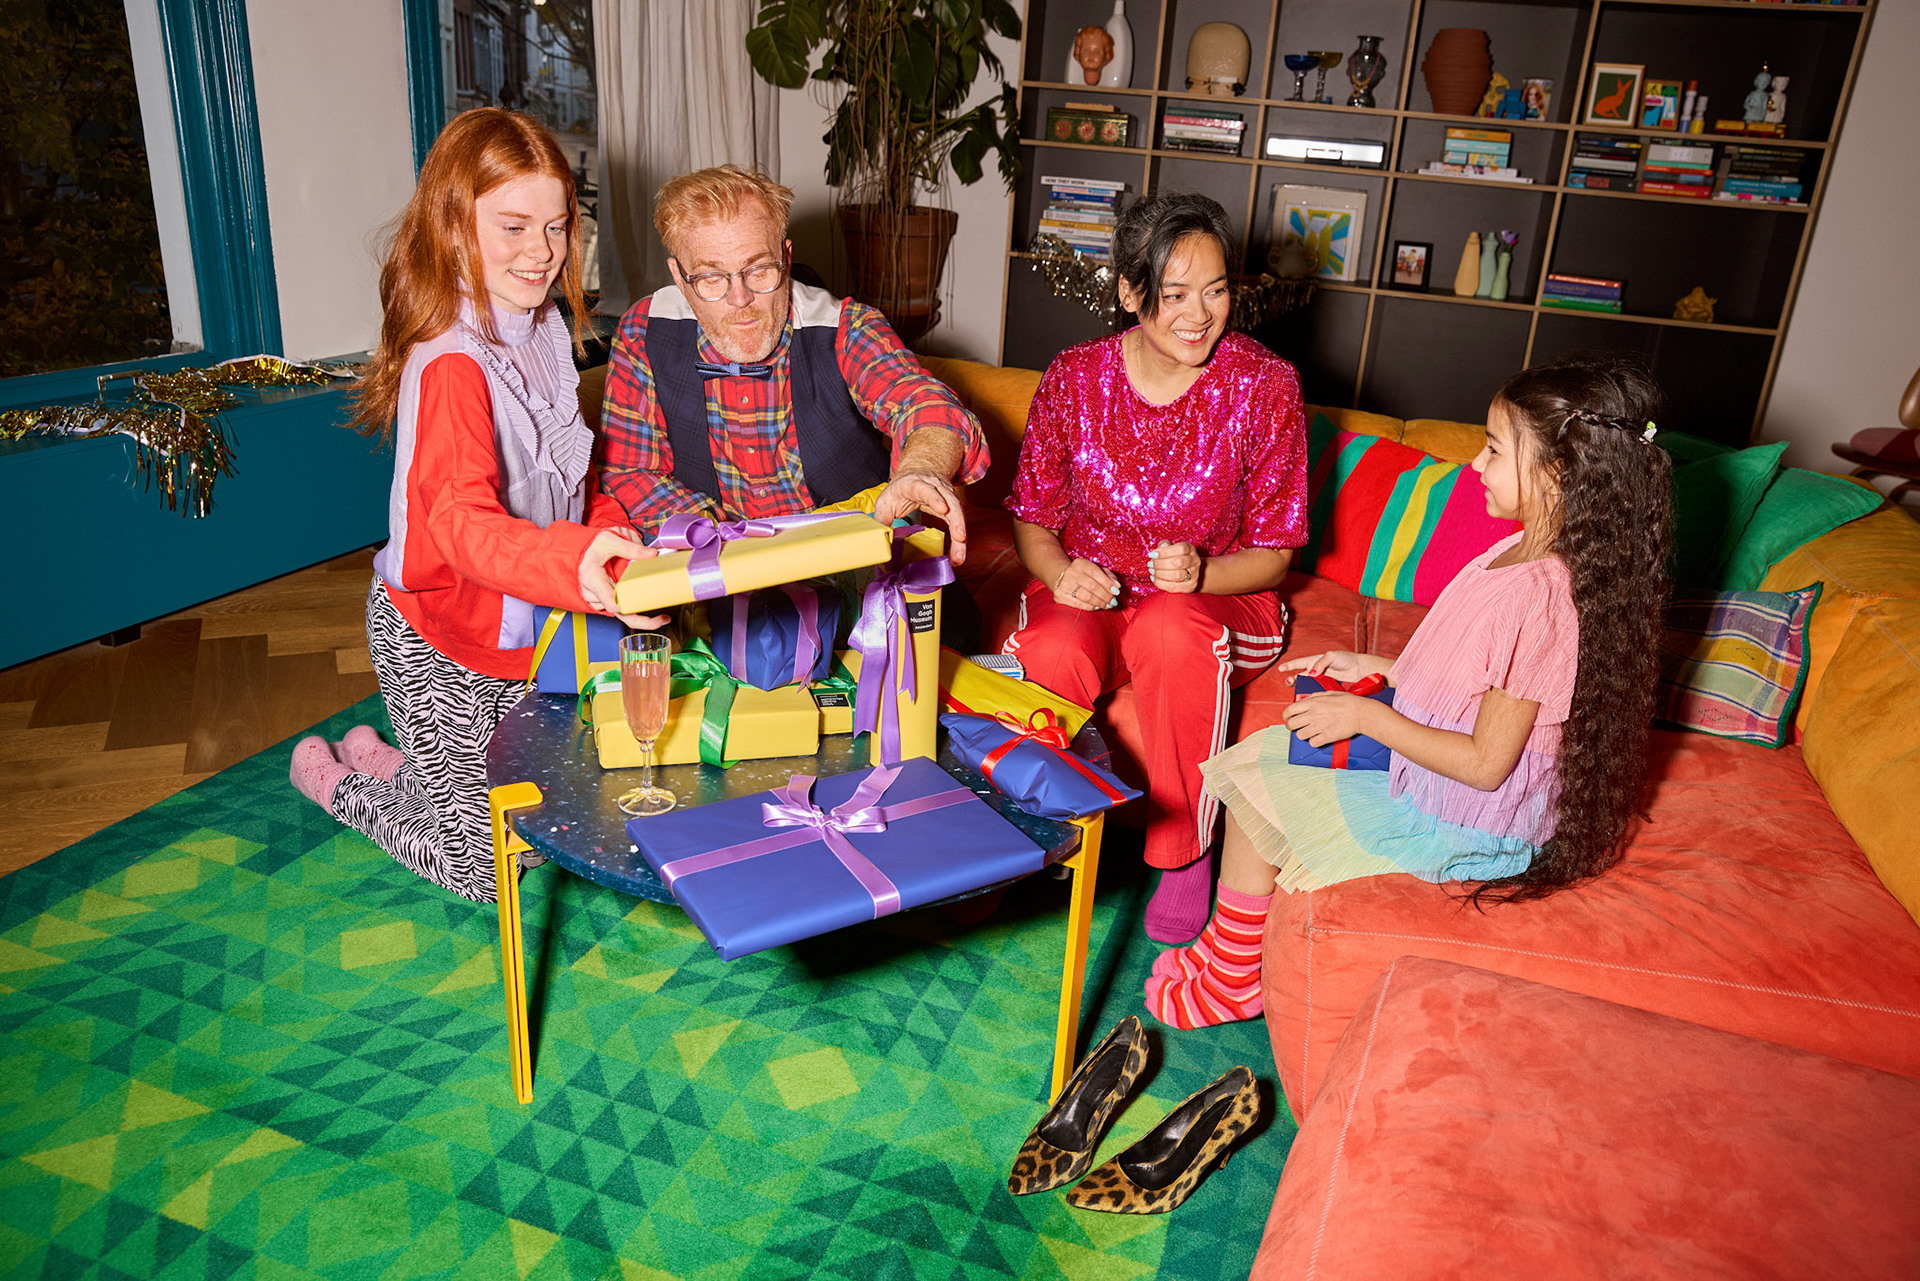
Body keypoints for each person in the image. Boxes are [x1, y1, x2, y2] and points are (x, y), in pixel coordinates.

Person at [1146, 354, 1674, 1029]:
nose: (1475, 464)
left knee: (1261, 791)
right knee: (1266, 758)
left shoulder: (1541, 599)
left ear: (1557, 472)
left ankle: (1231, 978)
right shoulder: (1511, 551)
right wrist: (1377, 666)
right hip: (1436, 783)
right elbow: (1467, 671)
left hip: (1467, 821)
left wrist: (1365, 715)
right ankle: (1229, 948)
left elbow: (1485, 764)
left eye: (1493, 449)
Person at [290, 108, 667, 902]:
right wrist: (578, 562)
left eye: (556, 227)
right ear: (454, 226)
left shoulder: (537, 324)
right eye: (513, 227)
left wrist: (612, 540)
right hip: (439, 638)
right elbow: (460, 524)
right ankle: (341, 786)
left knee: (546, 825)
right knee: (491, 872)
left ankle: (403, 767)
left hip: (525, 626)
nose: (541, 252)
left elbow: (574, 479)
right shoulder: (453, 363)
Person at [1001, 192, 1310, 944]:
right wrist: (1061, 570)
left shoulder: (1266, 384)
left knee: (1170, 630)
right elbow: (1033, 518)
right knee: (1052, 646)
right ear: (1130, 293)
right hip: (1097, 591)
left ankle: (1183, 853)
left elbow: (1276, 552)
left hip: (1222, 598)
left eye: (1216, 290)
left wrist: (1203, 575)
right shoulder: (1075, 377)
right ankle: (1029, 831)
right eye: (1175, 295)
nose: (1200, 315)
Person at [597, 165, 987, 563]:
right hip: (715, 568)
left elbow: (926, 406)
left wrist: (920, 468)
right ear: (680, 278)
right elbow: (630, 472)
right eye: (711, 277)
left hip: (853, 564)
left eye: (759, 269)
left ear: (785, 257)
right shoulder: (643, 331)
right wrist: (715, 536)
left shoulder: (845, 328)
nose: (740, 299)